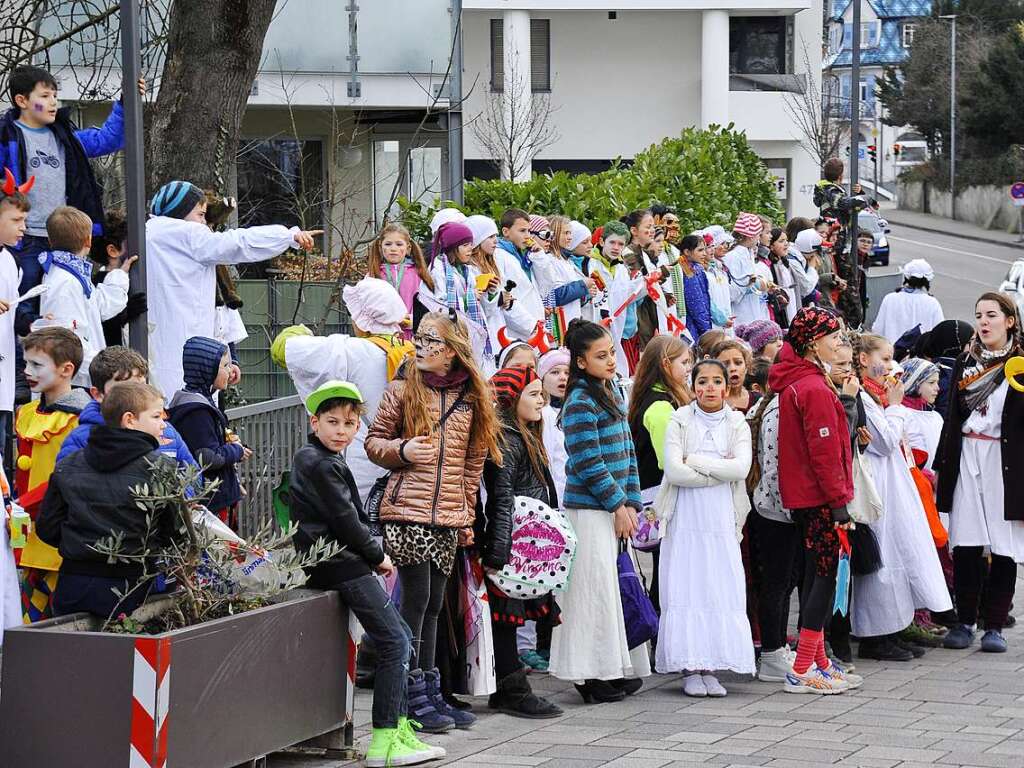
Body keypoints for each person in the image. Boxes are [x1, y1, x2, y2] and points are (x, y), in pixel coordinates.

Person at [289, 380, 444, 767]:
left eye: (350, 423)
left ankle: (399, 729)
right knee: (396, 641)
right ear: (314, 422)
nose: (342, 430)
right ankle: (385, 742)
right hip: (340, 564)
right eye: (333, 422)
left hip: (339, 562)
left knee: (402, 638)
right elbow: (346, 520)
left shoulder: (323, 458)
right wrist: (378, 556)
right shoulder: (318, 462)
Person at [365, 311, 501, 733]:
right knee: (417, 600)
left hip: (446, 516)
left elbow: (473, 462)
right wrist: (404, 451)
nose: (420, 347)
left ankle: (428, 690)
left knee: (436, 605)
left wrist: (463, 514)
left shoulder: (473, 397)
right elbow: (373, 443)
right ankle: (410, 694)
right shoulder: (401, 390)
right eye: (418, 339)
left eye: (430, 341)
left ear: (453, 350)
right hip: (406, 511)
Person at [549, 319, 649, 703]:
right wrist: (616, 503)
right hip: (589, 511)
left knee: (608, 590)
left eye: (611, 353)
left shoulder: (611, 393)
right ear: (579, 361)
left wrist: (633, 502)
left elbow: (627, 454)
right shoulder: (579, 401)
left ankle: (612, 667)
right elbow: (588, 461)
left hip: (614, 508)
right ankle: (589, 675)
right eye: (601, 355)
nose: (611, 361)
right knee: (591, 594)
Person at [145, 180, 320, 394]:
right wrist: (287, 236)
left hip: (157, 354)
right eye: (200, 215)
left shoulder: (147, 235)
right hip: (190, 356)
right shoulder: (189, 236)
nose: (203, 223)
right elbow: (240, 243)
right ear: (179, 212)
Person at [1, 66, 137, 322]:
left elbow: (108, 139)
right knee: (22, 312)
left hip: (61, 241)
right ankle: (21, 362)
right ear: (22, 101)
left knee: (67, 309)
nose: (53, 102)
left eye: (54, 95)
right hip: (25, 238)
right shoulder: (6, 136)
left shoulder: (66, 137)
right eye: (44, 96)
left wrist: (124, 103)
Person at [767, 307, 858, 694]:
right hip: (819, 498)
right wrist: (839, 502)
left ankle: (818, 660)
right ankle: (803, 665)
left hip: (808, 496)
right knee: (822, 577)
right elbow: (824, 452)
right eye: (833, 337)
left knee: (818, 575)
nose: (840, 343)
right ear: (811, 344)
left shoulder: (802, 382)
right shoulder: (813, 388)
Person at [656, 358, 755, 696]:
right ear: (693, 385)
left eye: (716, 381)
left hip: (720, 517)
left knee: (717, 583)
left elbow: (740, 469)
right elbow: (674, 470)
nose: (709, 388)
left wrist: (695, 460)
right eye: (702, 381)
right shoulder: (680, 420)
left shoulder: (737, 423)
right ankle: (689, 666)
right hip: (686, 516)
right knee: (688, 582)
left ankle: (711, 665)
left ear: (726, 387)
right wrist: (716, 468)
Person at [36, 381, 176, 618]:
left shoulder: (68, 465)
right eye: (156, 416)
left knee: (70, 652)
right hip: (133, 586)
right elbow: (174, 531)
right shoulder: (160, 468)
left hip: (75, 583)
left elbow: (47, 527)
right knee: (128, 654)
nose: (163, 423)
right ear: (129, 419)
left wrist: (79, 546)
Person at [852, 333, 952, 661]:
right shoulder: (866, 396)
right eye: (884, 357)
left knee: (898, 551)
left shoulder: (878, 394)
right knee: (882, 556)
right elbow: (884, 440)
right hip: (878, 482)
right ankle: (873, 633)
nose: (890, 365)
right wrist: (896, 408)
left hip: (895, 480)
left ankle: (894, 626)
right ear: (864, 359)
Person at [936, 293, 1024, 653]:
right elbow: (952, 418)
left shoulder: (1019, 364)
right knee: (967, 541)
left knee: (1003, 544)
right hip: (967, 453)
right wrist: (944, 463)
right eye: (979, 316)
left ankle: (995, 625)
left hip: (1005, 459)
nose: (984, 322)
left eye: (992, 315)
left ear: (1010, 321)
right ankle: (965, 621)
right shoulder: (964, 362)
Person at [272, 278, 414, 500]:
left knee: (357, 522)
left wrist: (301, 332)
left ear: (361, 319)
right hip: (404, 457)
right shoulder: (413, 351)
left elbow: (282, 350)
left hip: (362, 456)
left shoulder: (349, 350)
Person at [480, 366, 564, 719]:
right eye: (532, 393)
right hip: (512, 541)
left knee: (512, 616)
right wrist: (498, 554)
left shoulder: (525, 434)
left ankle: (508, 686)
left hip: (526, 539)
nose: (541, 398)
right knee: (506, 617)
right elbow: (500, 499)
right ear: (510, 400)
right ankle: (512, 687)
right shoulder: (507, 440)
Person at [15, 327, 91, 622]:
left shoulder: (79, 418)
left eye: (36, 365)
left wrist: (21, 506)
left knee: (53, 622)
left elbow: (67, 478)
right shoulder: (27, 412)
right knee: (25, 618)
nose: (27, 371)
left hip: (57, 531)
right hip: (25, 531)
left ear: (66, 369)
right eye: (25, 363)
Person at [628, 336, 694, 613]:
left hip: (657, 498)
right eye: (685, 362)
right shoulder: (660, 407)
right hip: (661, 500)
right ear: (666, 364)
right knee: (666, 569)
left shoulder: (656, 399)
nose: (690, 368)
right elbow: (670, 461)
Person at [56, 346, 196, 469]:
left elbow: (193, 475)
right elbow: (68, 483)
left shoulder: (165, 431)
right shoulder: (81, 438)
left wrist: (179, 498)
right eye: (124, 389)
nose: (136, 394)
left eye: (141, 386)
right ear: (98, 394)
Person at [37, 206, 132, 385]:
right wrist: (101, 371)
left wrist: (119, 275)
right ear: (88, 241)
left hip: (82, 377)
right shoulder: (64, 281)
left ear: (50, 240)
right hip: (75, 383)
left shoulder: (71, 274)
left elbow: (100, 306)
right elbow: (66, 339)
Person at [168, 337, 251, 529]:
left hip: (214, 497)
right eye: (225, 365)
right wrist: (235, 451)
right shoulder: (197, 411)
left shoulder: (196, 402)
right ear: (207, 370)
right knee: (216, 555)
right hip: (210, 503)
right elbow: (207, 456)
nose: (230, 371)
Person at [422, 220, 496, 370]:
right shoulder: (437, 272)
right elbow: (437, 306)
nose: (470, 249)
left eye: (470, 244)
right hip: (452, 335)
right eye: (464, 245)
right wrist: (468, 299)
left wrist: (490, 293)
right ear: (452, 248)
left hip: (473, 333)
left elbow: (485, 310)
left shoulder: (469, 271)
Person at [0, 169, 31, 458]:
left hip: (4, 379)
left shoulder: (12, 261)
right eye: (16, 220)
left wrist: (32, 326)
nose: (23, 227)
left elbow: (14, 310)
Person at [532, 215, 596, 346]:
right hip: (559, 327)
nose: (570, 237)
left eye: (570, 233)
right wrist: (583, 285)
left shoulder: (566, 260)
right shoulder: (549, 259)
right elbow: (555, 295)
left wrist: (586, 294)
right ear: (554, 234)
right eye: (566, 233)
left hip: (571, 324)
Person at [90, 210, 147, 348]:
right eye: (131, 244)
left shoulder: (133, 278)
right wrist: (126, 314)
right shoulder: (98, 283)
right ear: (113, 251)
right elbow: (102, 325)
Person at [366, 223, 433, 340]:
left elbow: (429, 305)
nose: (393, 248)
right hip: (382, 336)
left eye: (399, 244)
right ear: (381, 248)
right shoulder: (373, 276)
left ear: (408, 248)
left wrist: (413, 320)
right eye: (388, 244)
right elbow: (365, 308)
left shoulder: (418, 274)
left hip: (413, 337)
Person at [494, 209, 545, 339]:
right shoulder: (498, 256)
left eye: (528, 231)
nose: (528, 236)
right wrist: (531, 326)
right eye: (522, 231)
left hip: (536, 326)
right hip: (518, 330)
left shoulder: (526, 255)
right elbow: (505, 298)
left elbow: (547, 284)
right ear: (506, 232)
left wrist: (539, 255)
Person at [872, 259, 944, 344]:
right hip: (920, 355)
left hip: (891, 353)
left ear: (906, 277)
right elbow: (939, 333)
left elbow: (877, 330)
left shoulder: (890, 298)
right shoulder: (932, 303)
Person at [723, 213, 770, 327]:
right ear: (750, 236)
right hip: (740, 315)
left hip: (752, 312)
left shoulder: (747, 253)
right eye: (759, 234)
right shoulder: (733, 257)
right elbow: (731, 292)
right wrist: (751, 284)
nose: (759, 238)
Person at [899, 358, 943, 474]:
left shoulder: (936, 416)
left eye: (937, 382)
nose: (937, 388)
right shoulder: (901, 414)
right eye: (931, 382)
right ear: (914, 383)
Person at [680, 234, 713, 339]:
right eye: (700, 250)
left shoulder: (697, 267)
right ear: (687, 252)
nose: (704, 253)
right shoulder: (688, 270)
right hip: (693, 325)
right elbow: (695, 301)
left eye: (704, 250)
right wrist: (706, 328)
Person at [712, 338, 758, 414]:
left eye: (738, 363)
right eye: (725, 364)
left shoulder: (757, 400)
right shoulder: (709, 402)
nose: (733, 368)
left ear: (746, 366)